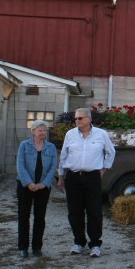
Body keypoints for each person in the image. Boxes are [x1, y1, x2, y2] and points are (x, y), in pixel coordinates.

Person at [57, 108, 115, 258]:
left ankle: (95, 244)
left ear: (89, 119)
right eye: (76, 119)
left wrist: (104, 169)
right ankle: (79, 242)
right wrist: (61, 176)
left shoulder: (101, 134)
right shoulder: (70, 135)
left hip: (92, 178)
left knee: (94, 211)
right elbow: (63, 156)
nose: (77, 121)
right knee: (74, 211)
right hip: (73, 177)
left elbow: (111, 152)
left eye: (80, 118)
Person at [17, 120, 58, 257]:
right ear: (33, 131)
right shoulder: (24, 145)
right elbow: (20, 165)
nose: (43, 133)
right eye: (40, 130)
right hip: (25, 186)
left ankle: (37, 247)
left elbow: (53, 167)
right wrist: (29, 183)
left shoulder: (51, 147)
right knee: (24, 216)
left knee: (40, 217)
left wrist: (44, 184)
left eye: (44, 130)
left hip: (43, 187)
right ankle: (23, 247)